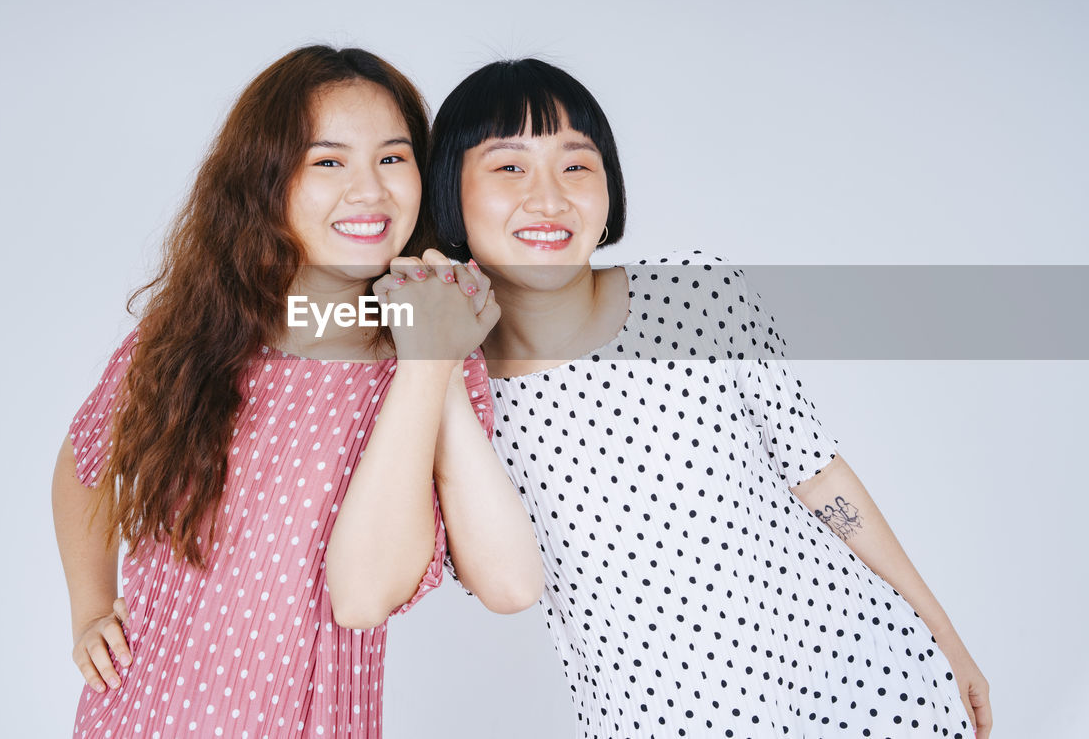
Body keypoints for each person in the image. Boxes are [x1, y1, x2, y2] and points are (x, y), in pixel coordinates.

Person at [407, 58, 992, 738]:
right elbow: (503, 585)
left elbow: (818, 472)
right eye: (510, 167)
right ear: (450, 192)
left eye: (576, 165)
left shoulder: (696, 294)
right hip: (668, 719)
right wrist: (438, 362)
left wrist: (941, 631)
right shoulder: (448, 386)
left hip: (859, 679)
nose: (549, 198)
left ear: (609, 191)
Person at [51, 45, 541, 739]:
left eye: (394, 158)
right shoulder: (194, 334)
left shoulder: (428, 363)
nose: (369, 190)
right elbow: (86, 462)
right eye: (329, 160)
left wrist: (427, 356)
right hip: (143, 713)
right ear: (267, 179)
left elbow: (375, 591)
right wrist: (91, 608)